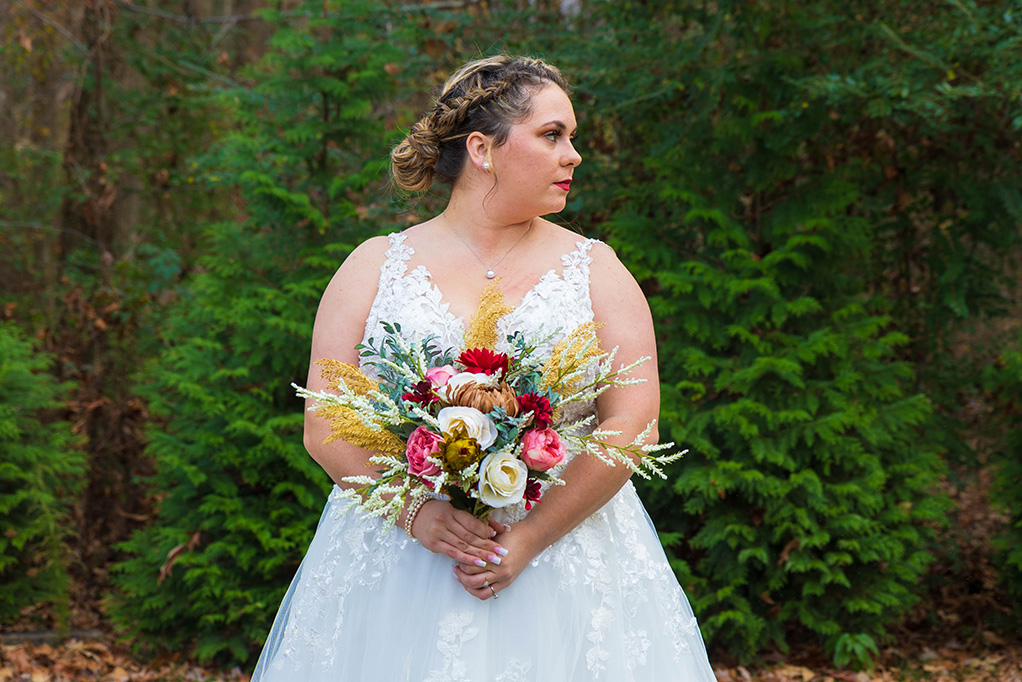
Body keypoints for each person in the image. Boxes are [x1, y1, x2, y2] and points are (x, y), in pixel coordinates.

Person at [251, 55, 717, 682]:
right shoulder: (371, 266)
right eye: (553, 135)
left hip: (565, 561)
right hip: (398, 563)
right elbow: (325, 420)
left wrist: (527, 539)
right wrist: (415, 512)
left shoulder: (598, 270)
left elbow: (633, 424)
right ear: (482, 149)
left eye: (570, 137)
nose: (573, 155)